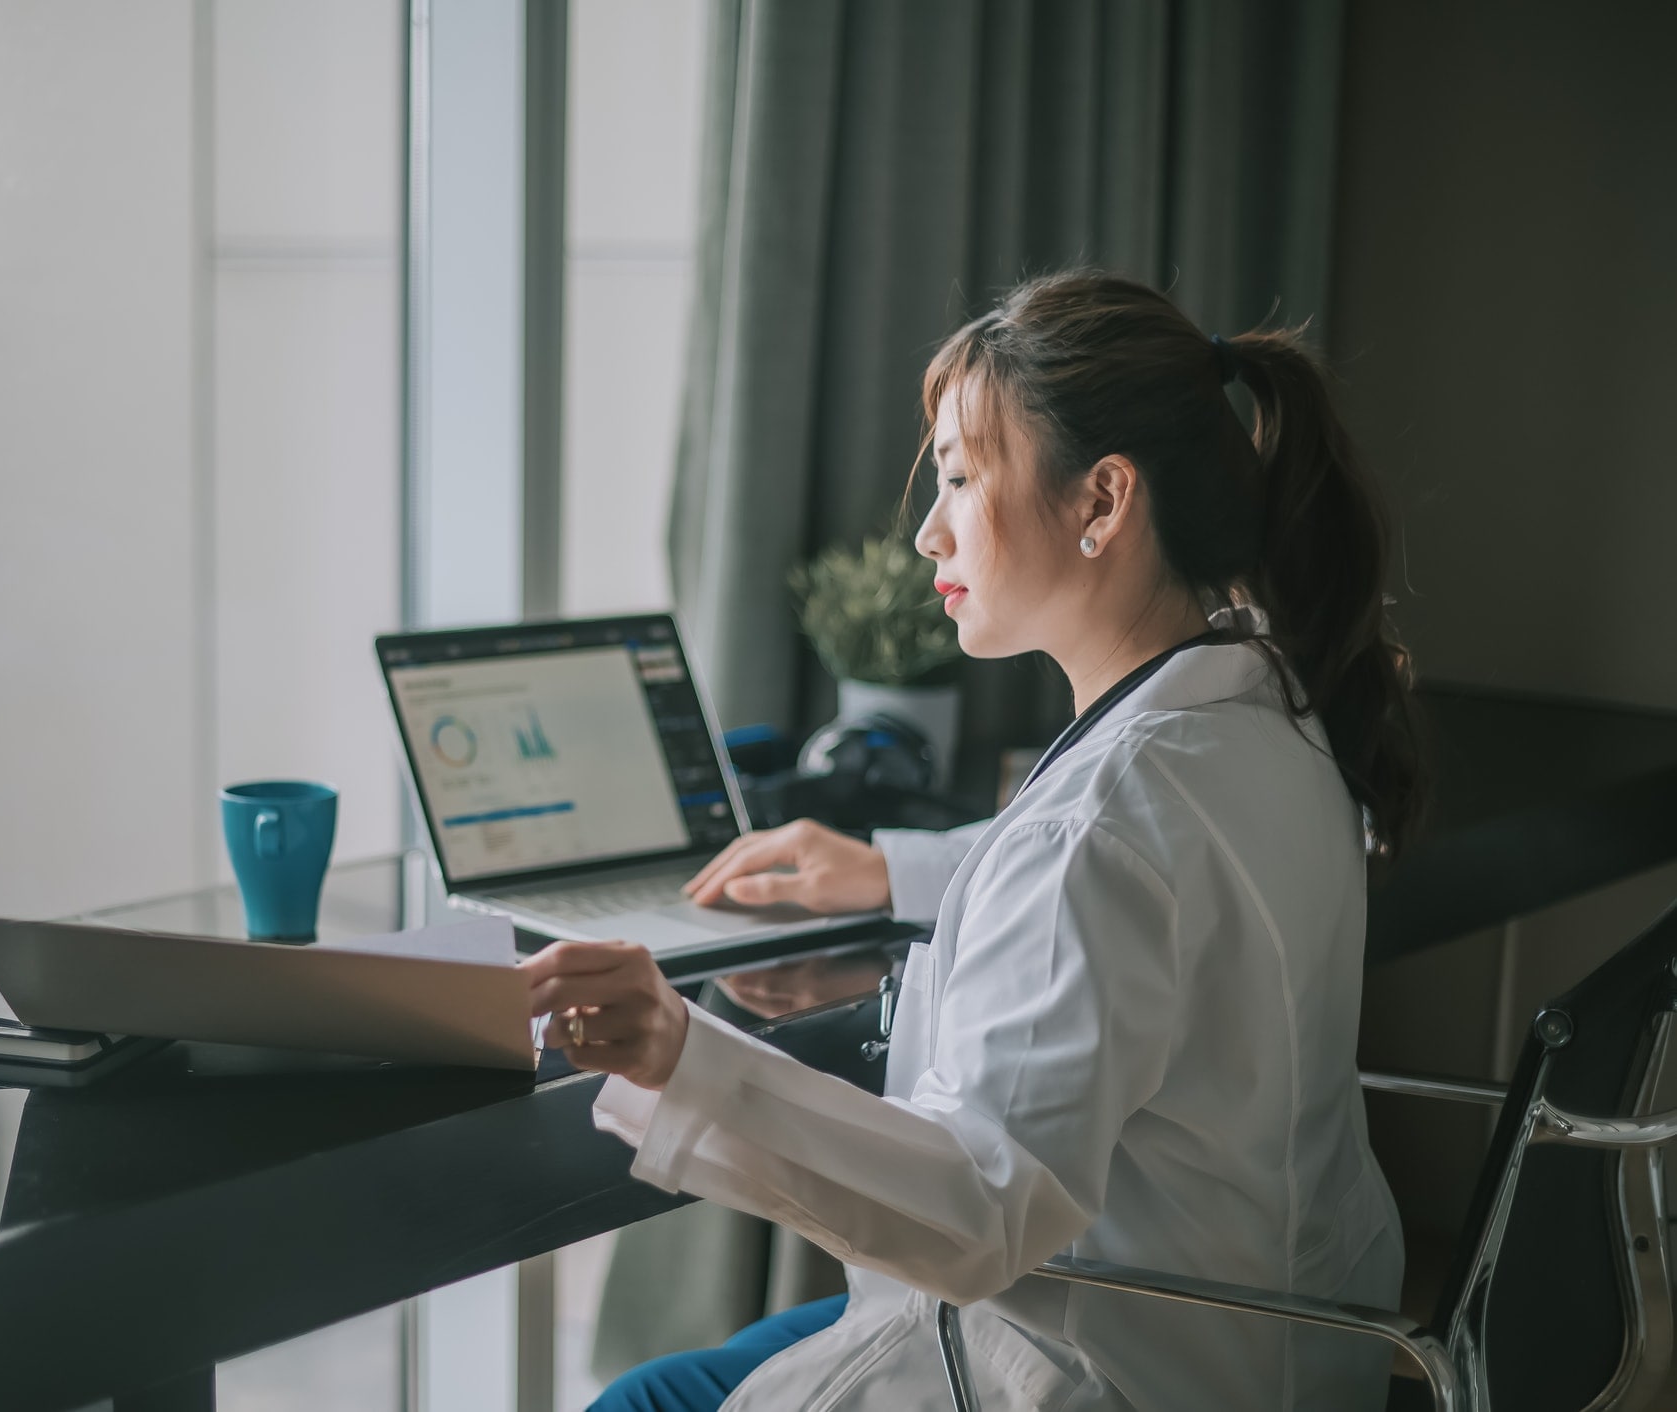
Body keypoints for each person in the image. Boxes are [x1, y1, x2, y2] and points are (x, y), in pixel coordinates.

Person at [523, 269, 1424, 1411]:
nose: (925, 529)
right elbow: (1118, 909)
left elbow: (977, 1212)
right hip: (1274, 1338)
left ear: (1101, 502)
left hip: (1100, 1360)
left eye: (958, 476)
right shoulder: (1267, 708)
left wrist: (677, 1048)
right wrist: (891, 895)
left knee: (635, 1400)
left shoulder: (1099, 824)